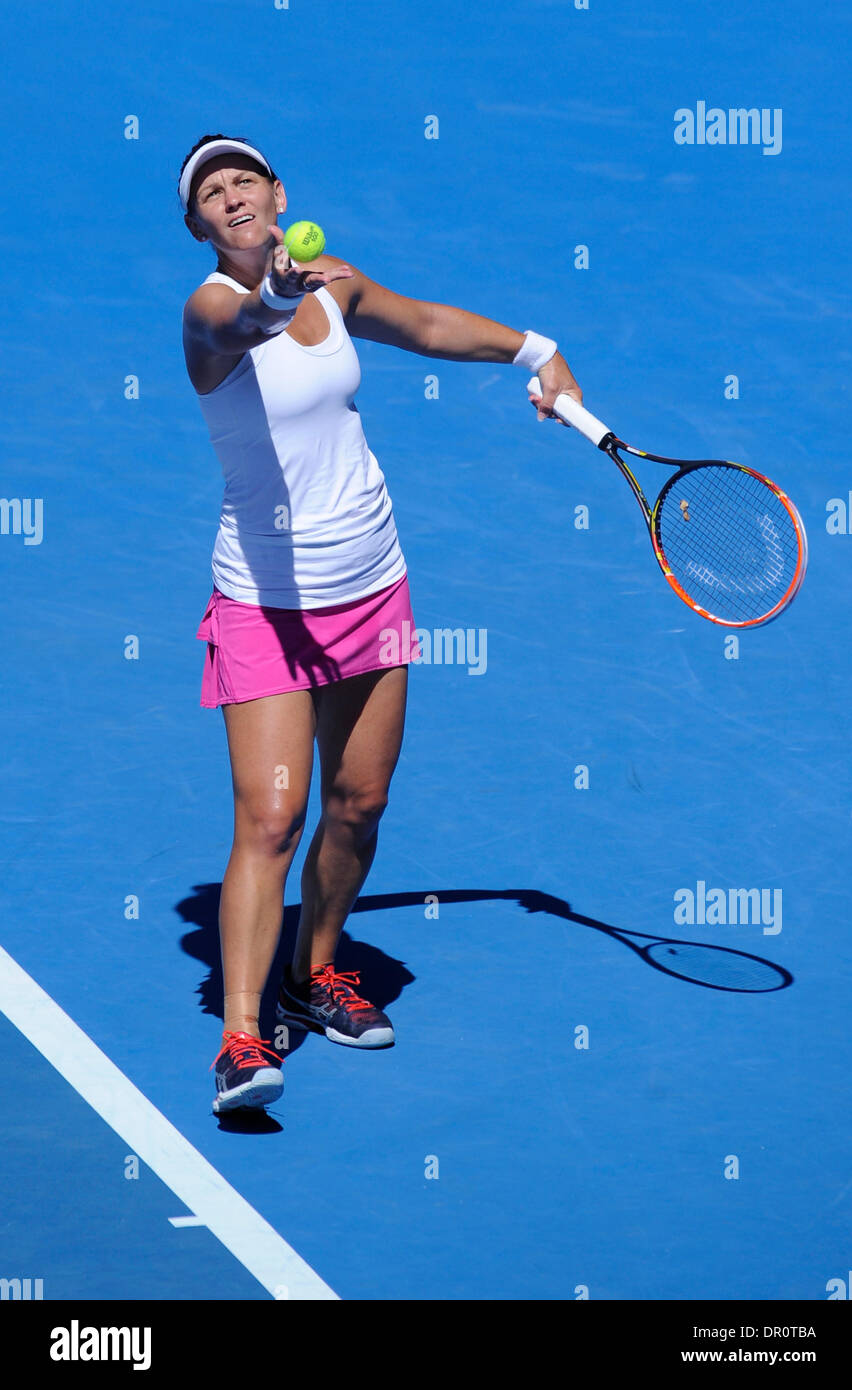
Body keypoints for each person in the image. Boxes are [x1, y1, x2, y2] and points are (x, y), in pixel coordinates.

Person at [179, 134, 583, 1113]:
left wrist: (537, 352)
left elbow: (431, 324)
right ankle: (240, 1037)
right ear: (197, 224)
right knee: (270, 818)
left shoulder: (339, 286)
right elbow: (239, 333)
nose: (231, 197)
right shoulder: (210, 308)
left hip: (370, 589)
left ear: (277, 194)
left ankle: (312, 975)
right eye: (211, 193)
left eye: (245, 181)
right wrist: (278, 289)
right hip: (266, 611)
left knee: (357, 803)